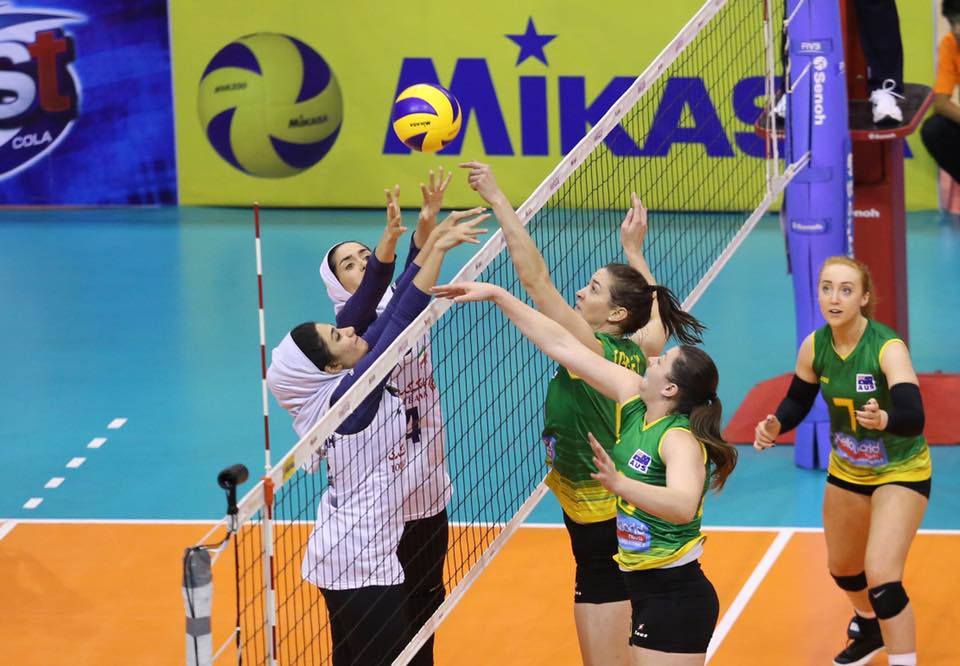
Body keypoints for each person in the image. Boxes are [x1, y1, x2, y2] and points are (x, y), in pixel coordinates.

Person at [460, 161, 705, 666]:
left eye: (592, 289)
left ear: (615, 315)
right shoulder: (635, 350)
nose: (579, 292)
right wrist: (634, 252)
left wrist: (499, 199)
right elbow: (656, 322)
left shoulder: (593, 350)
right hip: (596, 507)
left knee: (601, 604)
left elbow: (537, 281)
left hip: (600, 512)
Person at [431, 281, 737, 665]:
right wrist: (499, 296)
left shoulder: (678, 440)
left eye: (663, 361)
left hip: (674, 594)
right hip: (642, 586)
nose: (653, 358)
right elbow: (561, 344)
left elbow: (682, 506)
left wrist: (620, 484)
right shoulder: (633, 399)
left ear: (670, 389)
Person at [267, 208, 488, 666]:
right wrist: (435, 248)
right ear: (331, 366)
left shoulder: (335, 392)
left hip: (346, 551)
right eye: (338, 335)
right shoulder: (352, 398)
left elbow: (393, 308)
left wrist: (427, 244)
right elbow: (401, 316)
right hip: (360, 561)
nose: (350, 330)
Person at [754, 256, 930, 666]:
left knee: (882, 579)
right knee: (845, 571)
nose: (834, 298)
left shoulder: (887, 348)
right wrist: (777, 424)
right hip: (848, 469)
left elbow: (914, 415)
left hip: (900, 471)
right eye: (827, 288)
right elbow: (798, 399)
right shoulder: (814, 346)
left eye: (846, 290)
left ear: (864, 298)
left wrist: (884, 419)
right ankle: (869, 628)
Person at [318, 169, 455, 666]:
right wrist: (414, 243)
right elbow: (401, 295)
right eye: (349, 264)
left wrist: (426, 221)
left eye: (363, 255)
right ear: (337, 285)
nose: (362, 264)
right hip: (379, 500)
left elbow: (411, 277)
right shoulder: (347, 332)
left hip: (428, 484)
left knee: (427, 602)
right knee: (376, 625)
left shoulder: (400, 299)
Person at [920, 0, 960, 185]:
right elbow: (941, 103)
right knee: (934, 129)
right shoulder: (951, 44)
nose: (957, 29)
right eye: (952, 21)